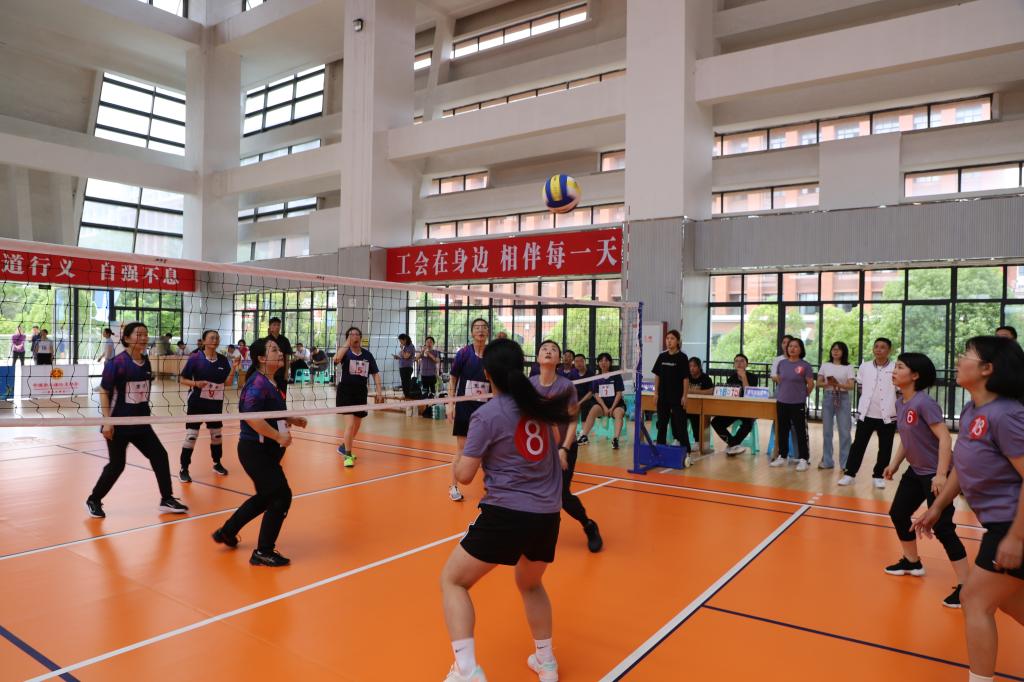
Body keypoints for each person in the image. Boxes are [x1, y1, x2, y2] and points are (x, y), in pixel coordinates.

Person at [439, 338, 573, 682]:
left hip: (507, 514)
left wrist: (458, 458)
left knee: (453, 581)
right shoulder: (540, 409)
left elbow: (464, 477)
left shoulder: (487, 415)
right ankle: (546, 662)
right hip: (547, 516)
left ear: (487, 375)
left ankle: (466, 670)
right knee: (531, 584)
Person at [912, 336, 1024, 682]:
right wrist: (937, 507)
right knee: (1008, 600)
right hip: (999, 523)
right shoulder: (973, 410)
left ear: (987, 369)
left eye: (966, 355)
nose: (959, 360)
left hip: (1012, 522)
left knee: (975, 599)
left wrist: (1017, 537)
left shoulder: (1007, 415)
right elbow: (963, 464)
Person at [880, 352, 967, 608]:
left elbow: (945, 438)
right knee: (898, 513)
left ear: (915, 375)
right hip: (916, 470)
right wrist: (895, 464)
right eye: (895, 366)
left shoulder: (924, 403)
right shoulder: (901, 402)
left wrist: (941, 474)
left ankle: (967, 587)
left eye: (900, 367)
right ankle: (912, 562)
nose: (894, 370)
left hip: (936, 473)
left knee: (943, 527)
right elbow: (908, 439)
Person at [212, 338, 307, 567]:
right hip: (255, 449)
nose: (280, 353)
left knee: (266, 496)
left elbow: (270, 412)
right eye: (274, 350)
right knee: (281, 496)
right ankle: (263, 551)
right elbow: (252, 417)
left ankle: (227, 531)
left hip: (269, 449)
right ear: (262, 358)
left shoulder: (273, 381)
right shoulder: (257, 383)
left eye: (279, 349)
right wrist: (278, 436)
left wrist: (291, 418)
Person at [85, 322, 188, 518]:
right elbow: (104, 391)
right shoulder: (117, 363)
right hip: (119, 424)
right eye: (139, 334)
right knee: (117, 465)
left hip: (141, 423)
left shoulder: (146, 361)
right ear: (127, 338)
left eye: (145, 334)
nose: (144, 337)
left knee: (160, 456)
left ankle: (166, 498)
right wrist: (107, 421)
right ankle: (94, 499)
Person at [532, 339, 602, 553]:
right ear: (537, 358)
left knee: (562, 495)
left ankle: (589, 525)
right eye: (544, 349)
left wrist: (564, 448)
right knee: (535, 491)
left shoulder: (566, 386)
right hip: (539, 448)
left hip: (564, 447)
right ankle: (543, 527)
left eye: (553, 350)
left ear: (559, 360)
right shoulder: (531, 384)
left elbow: (573, 419)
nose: (548, 351)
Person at [178, 330, 239, 483]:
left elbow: (227, 383)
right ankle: (184, 468)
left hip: (215, 403)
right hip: (197, 402)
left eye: (217, 338)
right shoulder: (195, 358)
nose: (215, 340)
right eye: (211, 338)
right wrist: (195, 383)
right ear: (204, 341)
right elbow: (182, 379)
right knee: (191, 435)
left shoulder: (223, 360)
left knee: (216, 435)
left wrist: (233, 368)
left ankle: (217, 463)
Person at [839, 338, 897, 489]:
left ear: (889, 350)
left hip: (887, 415)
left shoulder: (895, 367)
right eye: (876, 346)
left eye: (883, 347)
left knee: (885, 447)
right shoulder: (865, 366)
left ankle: (878, 476)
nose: (878, 349)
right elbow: (860, 386)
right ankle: (850, 474)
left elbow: (899, 390)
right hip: (866, 413)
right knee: (858, 445)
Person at [447, 318, 491, 502]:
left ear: (488, 332)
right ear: (472, 333)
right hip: (465, 406)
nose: (480, 330)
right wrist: (451, 404)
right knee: (462, 449)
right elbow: (453, 379)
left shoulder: (492, 354)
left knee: (489, 450)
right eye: (477, 328)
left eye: (484, 328)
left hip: (486, 408)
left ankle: (492, 488)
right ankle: (453, 486)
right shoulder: (464, 353)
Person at [333, 326, 383, 467]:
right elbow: (336, 359)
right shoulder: (346, 353)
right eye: (351, 335)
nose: (354, 336)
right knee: (349, 424)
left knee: (356, 425)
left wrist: (379, 392)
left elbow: (375, 374)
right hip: (346, 391)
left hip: (360, 392)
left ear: (360, 337)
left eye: (356, 334)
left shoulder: (367, 355)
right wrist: (346, 343)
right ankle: (347, 455)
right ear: (348, 338)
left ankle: (344, 447)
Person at [770, 338, 814, 471]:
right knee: (782, 430)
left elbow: (810, 384)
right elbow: (779, 379)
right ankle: (782, 456)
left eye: (795, 346)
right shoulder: (782, 363)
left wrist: (803, 395)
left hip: (797, 403)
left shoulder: (805, 365)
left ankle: (803, 459)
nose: (792, 349)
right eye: (790, 346)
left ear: (801, 349)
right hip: (782, 401)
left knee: (800, 431)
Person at [817, 341, 856, 470]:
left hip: (843, 397)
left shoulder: (848, 367)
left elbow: (851, 386)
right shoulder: (825, 365)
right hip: (828, 396)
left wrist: (838, 385)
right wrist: (828, 383)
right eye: (833, 349)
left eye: (838, 349)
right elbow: (818, 383)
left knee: (844, 432)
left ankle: (845, 464)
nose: (835, 351)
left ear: (843, 352)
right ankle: (827, 461)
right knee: (827, 432)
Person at [711, 353, 759, 455]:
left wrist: (744, 377)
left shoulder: (753, 377)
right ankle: (733, 445)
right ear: (734, 365)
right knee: (715, 422)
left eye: (742, 361)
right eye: (736, 361)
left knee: (748, 423)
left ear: (746, 364)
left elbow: (749, 393)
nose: (739, 363)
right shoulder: (731, 378)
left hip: (748, 409)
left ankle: (733, 444)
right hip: (733, 409)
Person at [577, 353, 626, 449]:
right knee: (593, 409)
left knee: (619, 413)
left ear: (610, 362)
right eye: (601, 361)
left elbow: (619, 393)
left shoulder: (616, 376)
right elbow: (596, 394)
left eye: (606, 360)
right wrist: (604, 407)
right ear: (598, 363)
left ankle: (615, 439)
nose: (603, 363)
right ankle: (584, 436)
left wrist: (612, 408)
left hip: (616, 405)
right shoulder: (597, 377)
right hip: (602, 405)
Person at [652, 330, 690, 449]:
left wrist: (685, 396)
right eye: (667, 338)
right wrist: (656, 393)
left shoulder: (682, 357)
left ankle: (686, 452)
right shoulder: (662, 356)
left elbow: (685, 378)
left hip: (677, 397)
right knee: (662, 425)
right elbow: (657, 376)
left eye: (672, 338)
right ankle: (660, 450)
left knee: (681, 425)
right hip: (663, 396)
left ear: (678, 341)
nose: (669, 341)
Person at [686, 357, 715, 454]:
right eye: (690, 366)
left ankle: (698, 442)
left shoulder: (705, 378)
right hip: (687, 405)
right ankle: (677, 439)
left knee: (695, 415)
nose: (691, 368)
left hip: (701, 407)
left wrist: (693, 391)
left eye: (694, 366)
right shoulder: (686, 377)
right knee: (675, 414)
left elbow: (711, 391)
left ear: (699, 367)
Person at [262, 317, 293, 392]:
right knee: (270, 395)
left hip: (281, 372)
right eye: (274, 325)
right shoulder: (265, 340)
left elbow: (287, 357)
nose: (277, 327)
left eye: (278, 325)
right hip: (269, 373)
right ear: (270, 327)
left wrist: (286, 372)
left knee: (282, 395)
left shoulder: (285, 340)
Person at [416, 336, 440, 418]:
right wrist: (422, 352)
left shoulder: (435, 352)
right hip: (424, 375)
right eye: (427, 342)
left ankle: (433, 409)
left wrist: (429, 354)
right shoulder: (423, 352)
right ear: (425, 343)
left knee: (433, 393)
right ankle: (426, 410)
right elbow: (416, 358)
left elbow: (437, 361)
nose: (429, 343)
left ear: (433, 344)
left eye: (430, 342)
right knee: (425, 393)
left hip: (432, 375)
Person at [394, 333, 417, 398]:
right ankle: (406, 395)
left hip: (407, 367)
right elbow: (403, 357)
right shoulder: (406, 347)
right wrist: (398, 357)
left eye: (401, 341)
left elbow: (406, 356)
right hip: (402, 367)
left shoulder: (410, 346)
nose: (400, 343)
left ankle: (408, 396)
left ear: (405, 340)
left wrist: (401, 349)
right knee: (404, 382)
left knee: (406, 382)